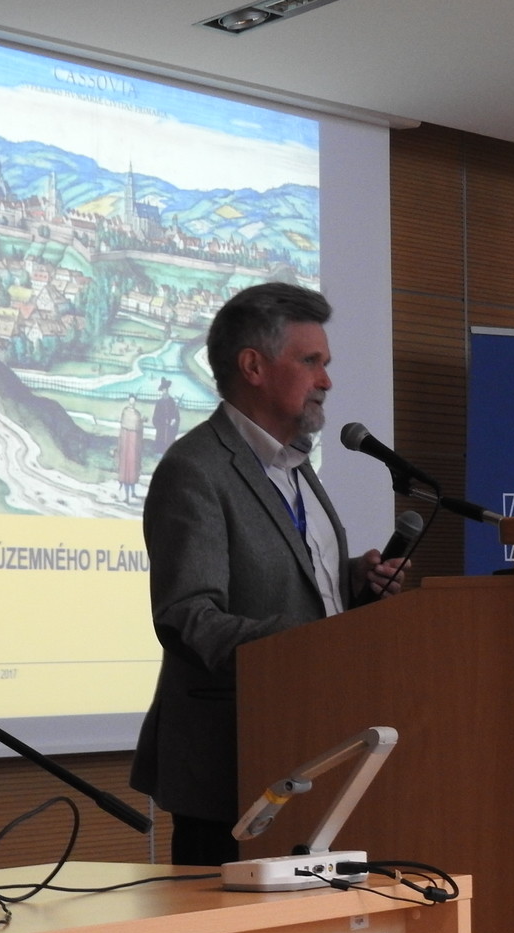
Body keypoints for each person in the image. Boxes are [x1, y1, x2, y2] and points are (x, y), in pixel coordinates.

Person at [129, 283, 406, 865]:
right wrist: (312, 643)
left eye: (325, 363)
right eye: (311, 361)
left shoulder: (297, 466)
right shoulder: (195, 468)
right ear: (253, 366)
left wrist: (354, 583)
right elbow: (187, 617)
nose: (326, 380)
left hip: (314, 747)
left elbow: (298, 584)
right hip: (234, 766)